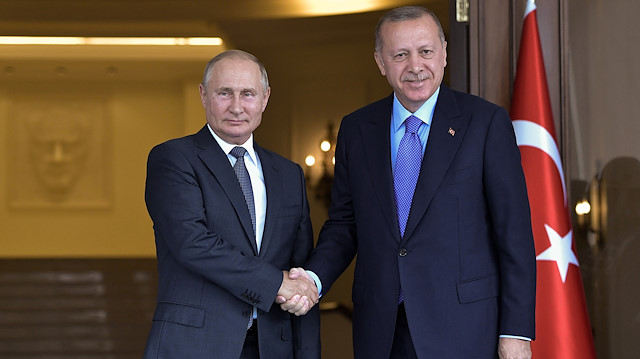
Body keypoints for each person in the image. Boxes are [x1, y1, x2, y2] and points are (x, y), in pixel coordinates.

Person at [280, 6, 536, 359]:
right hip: (382, 328)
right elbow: (345, 224)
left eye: (426, 51)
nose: (415, 66)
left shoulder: (485, 122)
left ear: (444, 53)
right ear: (380, 62)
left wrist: (516, 332)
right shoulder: (357, 129)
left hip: (465, 328)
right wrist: (312, 279)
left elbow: (515, 235)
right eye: (400, 55)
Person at [143, 49, 320, 359]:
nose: (237, 107)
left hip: (272, 346)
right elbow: (193, 243)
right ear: (204, 95)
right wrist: (276, 283)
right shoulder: (172, 159)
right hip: (196, 345)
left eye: (248, 94)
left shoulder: (289, 174)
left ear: (265, 98)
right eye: (224, 93)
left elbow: (299, 270)